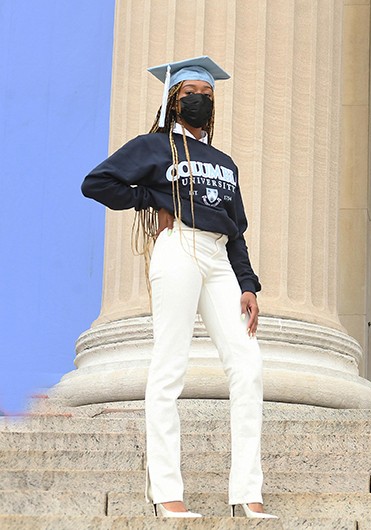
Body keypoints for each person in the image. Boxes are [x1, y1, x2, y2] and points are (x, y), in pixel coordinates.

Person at [81, 56, 276, 519]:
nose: (200, 100)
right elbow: (97, 182)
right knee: (170, 366)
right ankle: (167, 490)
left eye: (207, 95)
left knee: (248, 368)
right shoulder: (154, 146)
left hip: (219, 258)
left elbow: (238, 228)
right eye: (190, 93)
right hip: (178, 250)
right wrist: (149, 198)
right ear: (174, 100)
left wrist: (247, 284)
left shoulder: (225, 162)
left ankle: (247, 491)